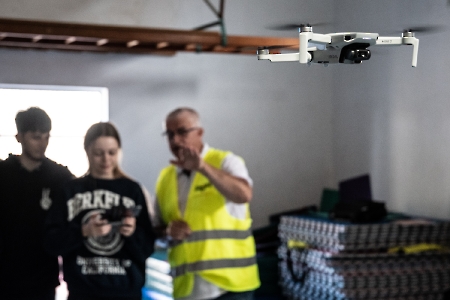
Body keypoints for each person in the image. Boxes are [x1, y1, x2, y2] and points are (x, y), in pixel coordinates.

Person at [153, 107, 260, 300]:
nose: (175, 140)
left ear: (200, 132)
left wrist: (202, 167)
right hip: (187, 289)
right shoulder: (165, 178)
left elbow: (243, 194)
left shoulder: (226, 162)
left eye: (182, 132)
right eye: (169, 135)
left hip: (230, 287)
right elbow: (156, 228)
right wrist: (168, 231)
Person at [45, 122, 155, 300]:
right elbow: (51, 243)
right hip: (83, 291)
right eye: (98, 153)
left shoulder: (132, 190)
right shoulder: (71, 190)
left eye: (111, 153)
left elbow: (147, 248)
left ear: (118, 151)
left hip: (125, 291)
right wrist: (84, 231)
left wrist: (132, 233)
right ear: (87, 151)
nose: (106, 159)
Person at [0, 107, 74, 300]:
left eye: (46, 137)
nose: (42, 143)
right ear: (19, 137)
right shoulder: (4, 174)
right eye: (35, 137)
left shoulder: (60, 177)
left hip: (43, 278)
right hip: (4, 276)